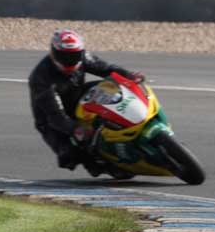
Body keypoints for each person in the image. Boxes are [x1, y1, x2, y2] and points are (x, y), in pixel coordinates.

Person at [28, 29, 145, 177]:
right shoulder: (41, 77)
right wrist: (76, 129)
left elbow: (107, 69)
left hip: (77, 96)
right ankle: (101, 163)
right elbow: (55, 115)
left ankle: (130, 120)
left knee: (110, 86)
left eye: (74, 55)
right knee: (69, 155)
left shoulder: (83, 58)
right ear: (53, 52)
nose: (69, 60)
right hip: (52, 119)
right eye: (63, 56)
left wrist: (128, 75)